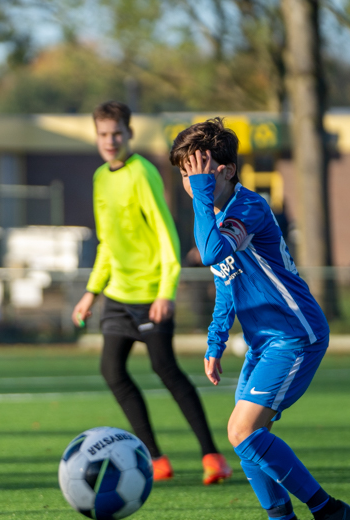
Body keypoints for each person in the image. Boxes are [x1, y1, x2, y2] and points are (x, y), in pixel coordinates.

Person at [172, 118, 350, 520]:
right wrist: (216, 342)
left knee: (243, 431)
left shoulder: (248, 208)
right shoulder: (215, 215)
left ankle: (329, 511)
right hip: (263, 342)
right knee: (245, 434)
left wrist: (200, 194)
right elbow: (225, 281)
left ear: (229, 170)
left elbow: (214, 252)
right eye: (185, 172)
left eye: (203, 168)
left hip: (296, 335)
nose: (192, 179)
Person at [71, 101, 230, 485]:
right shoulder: (99, 178)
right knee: (111, 370)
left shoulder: (143, 173)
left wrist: (165, 292)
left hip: (150, 293)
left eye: (116, 133)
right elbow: (106, 243)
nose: (110, 141)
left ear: (129, 134)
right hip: (117, 294)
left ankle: (212, 455)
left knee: (166, 369)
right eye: (103, 134)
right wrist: (91, 293)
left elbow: (165, 234)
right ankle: (155, 458)